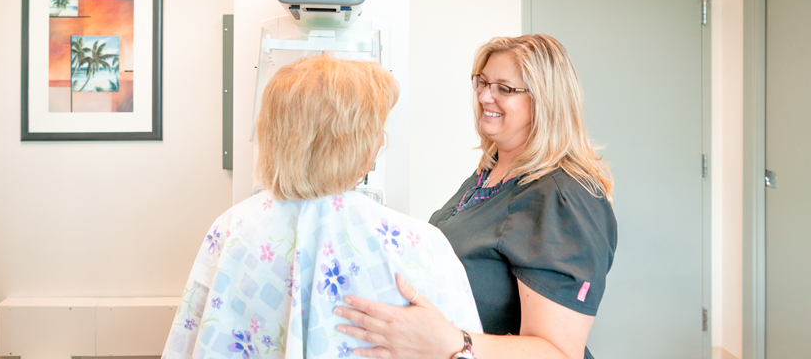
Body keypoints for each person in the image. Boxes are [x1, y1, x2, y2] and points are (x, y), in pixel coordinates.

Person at [161, 54, 482, 359]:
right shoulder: (420, 244)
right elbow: (459, 347)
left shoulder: (232, 227)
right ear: (357, 141)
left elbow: (191, 339)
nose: (381, 142)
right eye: (376, 130)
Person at [334, 34, 618, 359]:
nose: (485, 96)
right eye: (482, 82)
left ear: (546, 101)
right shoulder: (493, 170)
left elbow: (558, 353)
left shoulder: (562, 196)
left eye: (504, 88)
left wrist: (455, 344)